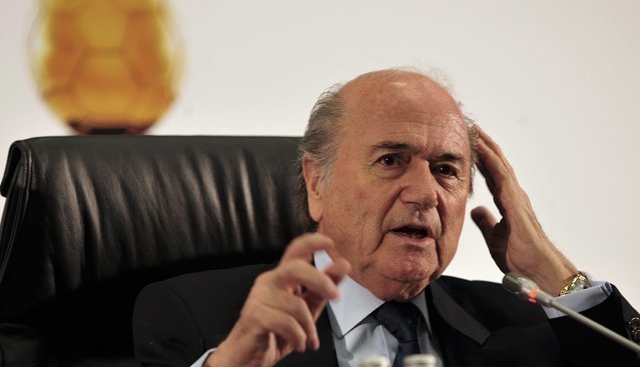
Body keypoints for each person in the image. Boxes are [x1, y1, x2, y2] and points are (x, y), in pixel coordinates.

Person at [133, 69, 640, 367]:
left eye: (446, 170)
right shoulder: (200, 316)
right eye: (390, 160)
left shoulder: (524, 323)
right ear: (316, 182)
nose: (424, 193)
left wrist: (550, 271)